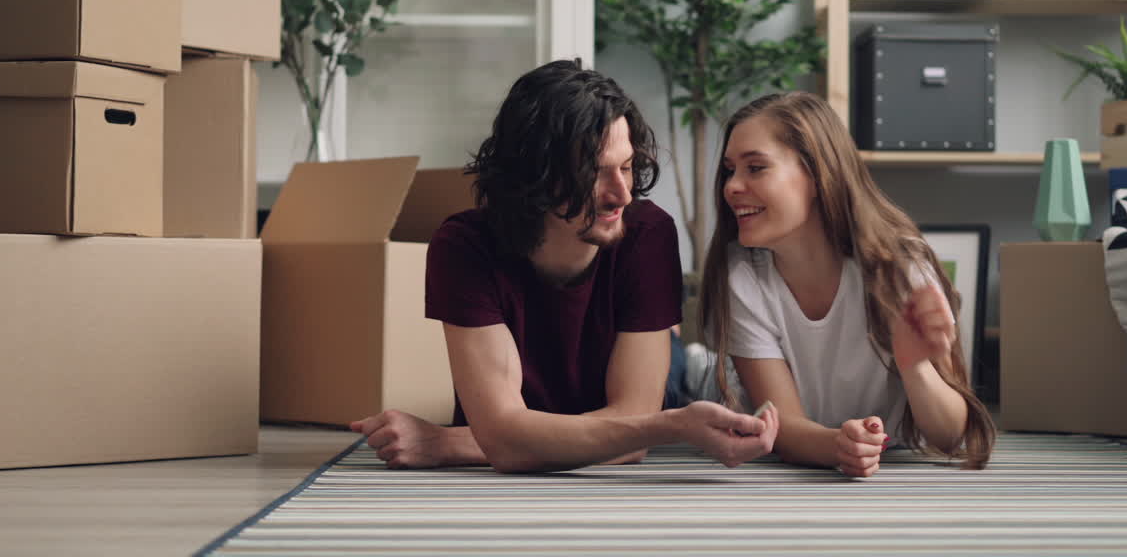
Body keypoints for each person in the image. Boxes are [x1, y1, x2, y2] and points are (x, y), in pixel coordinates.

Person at [350, 59, 778, 473]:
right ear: (534, 176)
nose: (622, 194)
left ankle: (685, 353)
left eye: (627, 167)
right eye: (594, 173)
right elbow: (507, 438)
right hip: (567, 393)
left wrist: (450, 442)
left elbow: (630, 435)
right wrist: (504, 438)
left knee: (679, 373)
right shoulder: (464, 245)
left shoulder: (648, 232)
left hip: (653, 368)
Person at [697, 91, 995, 477]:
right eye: (729, 170)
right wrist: (840, 445)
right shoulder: (743, 278)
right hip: (730, 399)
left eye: (755, 168)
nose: (731, 186)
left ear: (818, 174)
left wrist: (915, 365)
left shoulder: (899, 268)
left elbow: (950, 436)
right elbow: (782, 428)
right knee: (694, 379)